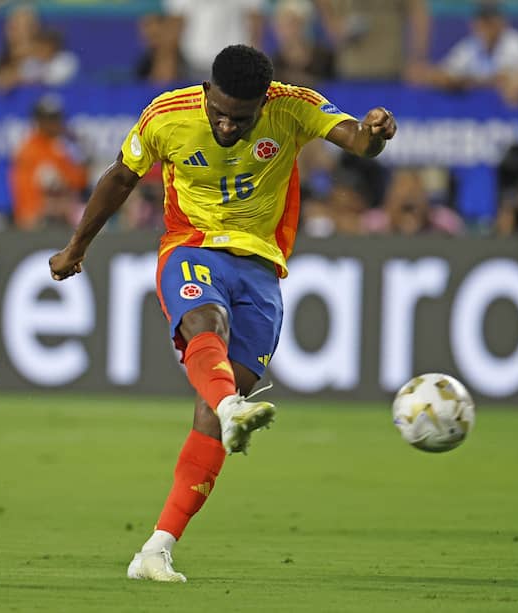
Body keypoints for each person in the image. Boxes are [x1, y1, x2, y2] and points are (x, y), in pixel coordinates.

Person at [48, 44, 396, 582]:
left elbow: (353, 138)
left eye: (242, 117)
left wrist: (372, 135)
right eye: (220, 114)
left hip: (261, 269)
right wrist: (77, 247)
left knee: (212, 410)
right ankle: (233, 407)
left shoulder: (292, 106)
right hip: (191, 246)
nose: (229, 127)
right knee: (204, 325)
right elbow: (120, 177)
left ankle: (156, 549)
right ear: (207, 92)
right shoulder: (168, 115)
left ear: (264, 102)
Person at [406, 0, 518, 92]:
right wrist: (430, 75)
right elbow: (447, 72)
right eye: (481, 21)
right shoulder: (471, 45)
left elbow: (504, 78)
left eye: (489, 22)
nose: (485, 27)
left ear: (501, 22)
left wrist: (463, 81)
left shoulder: (513, 42)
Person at [9, 94, 88, 230]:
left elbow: (79, 181)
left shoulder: (63, 146)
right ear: (38, 121)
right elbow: (25, 192)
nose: (54, 124)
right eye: (48, 119)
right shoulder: (28, 149)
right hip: (36, 220)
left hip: (62, 216)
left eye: (56, 118)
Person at [316, 0, 431, 82]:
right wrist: (341, 28)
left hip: (391, 70)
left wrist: (417, 60)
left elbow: (419, 16)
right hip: (350, 71)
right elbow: (333, 27)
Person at [164, 0, 268, 79]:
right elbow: (175, 21)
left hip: (235, 61)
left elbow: (255, 17)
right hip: (193, 60)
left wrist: (254, 60)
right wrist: (170, 62)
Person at [270, 0, 335, 87]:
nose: (285, 30)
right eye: (281, 25)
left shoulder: (324, 57)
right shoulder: (274, 62)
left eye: (292, 23)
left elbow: (334, 89)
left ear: (304, 24)